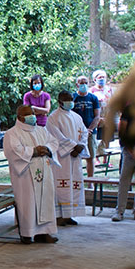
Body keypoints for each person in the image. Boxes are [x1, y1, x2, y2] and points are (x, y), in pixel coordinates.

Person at [3, 105, 60, 244]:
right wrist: (33, 151)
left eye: (33, 113)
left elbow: (54, 142)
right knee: (28, 202)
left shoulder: (41, 130)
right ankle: (27, 233)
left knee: (45, 199)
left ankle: (44, 232)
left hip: (44, 170)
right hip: (25, 174)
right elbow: (13, 150)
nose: (32, 116)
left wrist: (46, 149)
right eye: (29, 114)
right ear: (20, 117)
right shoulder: (12, 133)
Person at [46, 91, 87, 226]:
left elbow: (84, 132)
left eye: (71, 99)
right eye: (66, 99)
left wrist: (81, 146)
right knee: (61, 184)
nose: (69, 101)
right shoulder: (53, 117)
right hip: (62, 157)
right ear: (60, 101)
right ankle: (59, 215)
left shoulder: (77, 117)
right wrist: (73, 147)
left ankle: (69, 214)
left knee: (74, 183)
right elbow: (56, 136)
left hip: (75, 158)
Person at [111, 103, 135, 222]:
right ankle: (119, 211)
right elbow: (122, 130)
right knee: (124, 181)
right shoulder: (129, 109)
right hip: (129, 151)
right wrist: (129, 149)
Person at [72, 75, 102, 177]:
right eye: (81, 83)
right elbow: (69, 116)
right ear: (77, 84)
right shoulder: (73, 98)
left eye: (86, 83)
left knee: (90, 157)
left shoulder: (93, 98)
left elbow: (97, 116)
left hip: (90, 132)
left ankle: (90, 182)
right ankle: (77, 179)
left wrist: (89, 130)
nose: (83, 85)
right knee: (76, 157)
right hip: (76, 132)